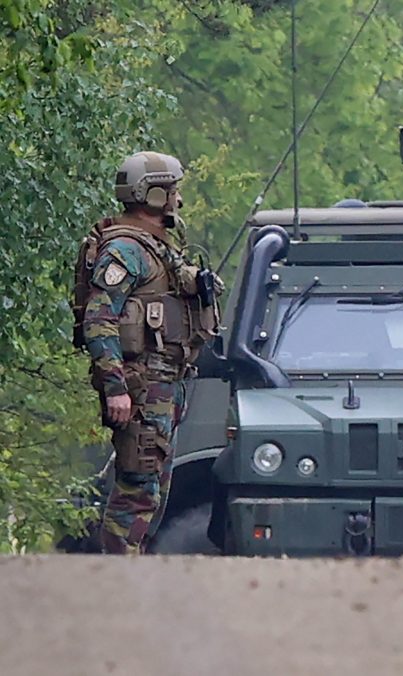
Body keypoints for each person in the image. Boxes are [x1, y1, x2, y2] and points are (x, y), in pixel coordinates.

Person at [79, 151, 221, 554]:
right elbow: (99, 318)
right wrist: (115, 388)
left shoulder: (157, 248)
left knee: (153, 490)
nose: (178, 199)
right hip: (142, 385)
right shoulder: (125, 250)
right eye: (173, 190)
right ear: (153, 194)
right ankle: (113, 573)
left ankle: (131, 566)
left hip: (166, 384)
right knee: (136, 489)